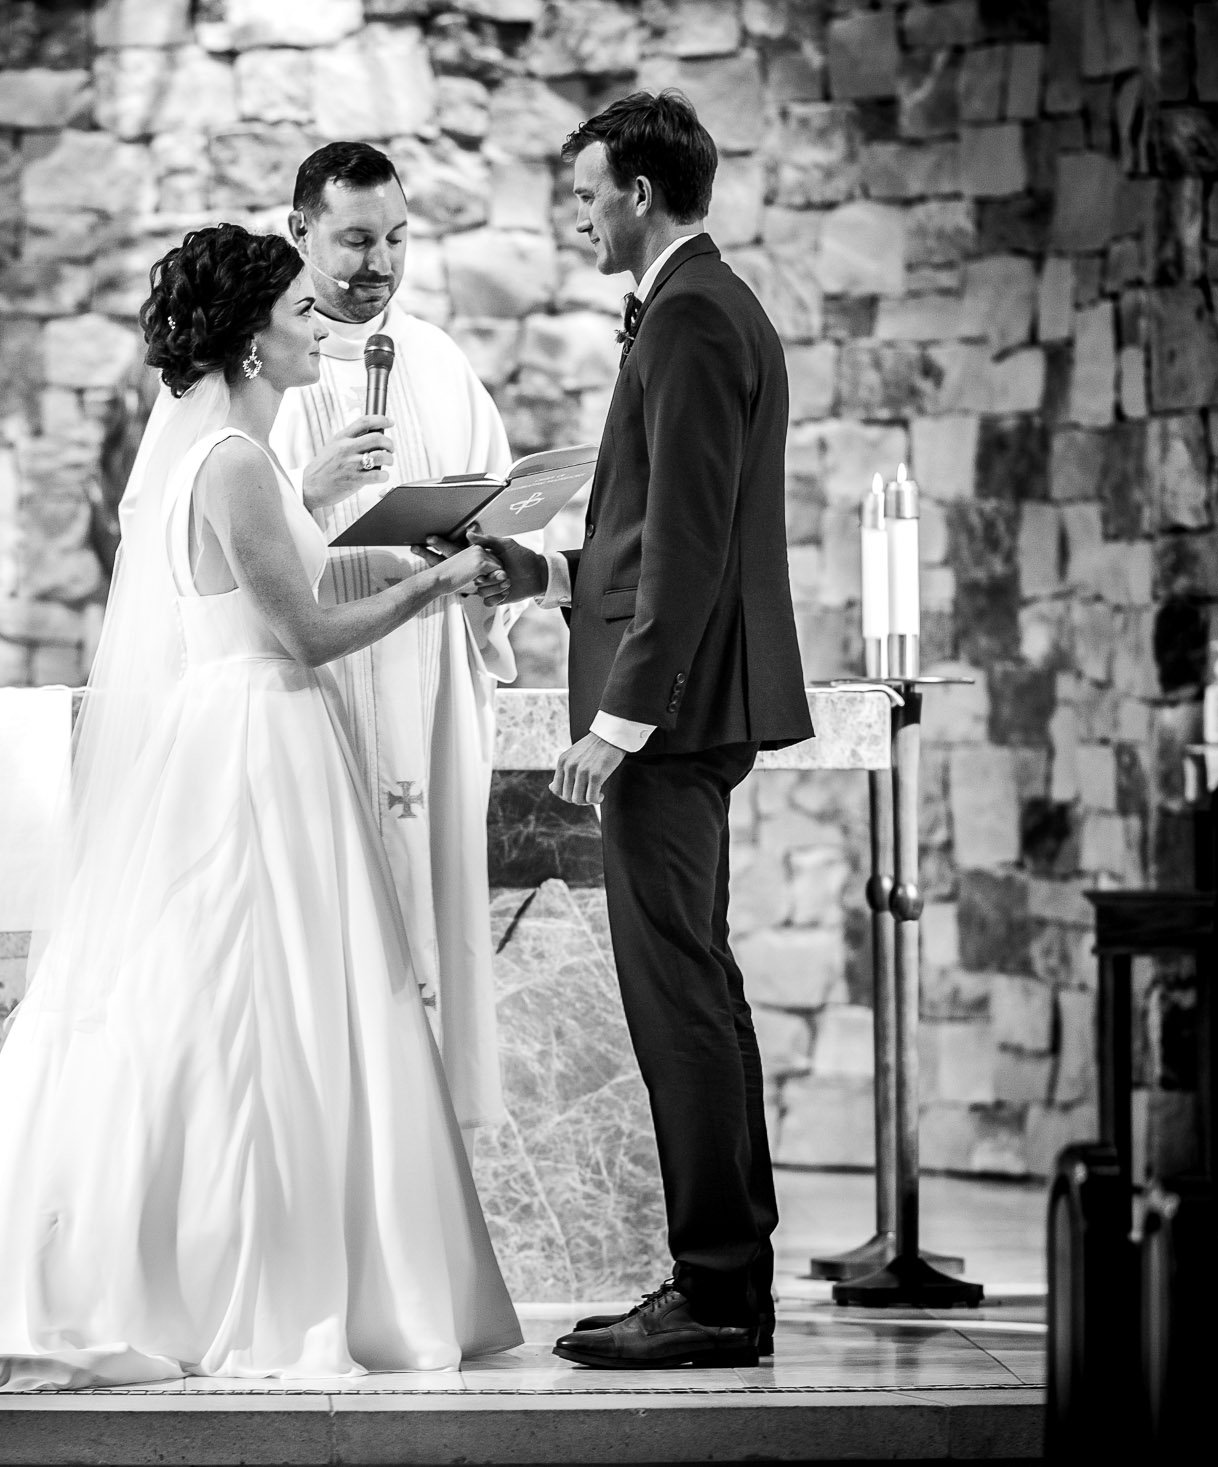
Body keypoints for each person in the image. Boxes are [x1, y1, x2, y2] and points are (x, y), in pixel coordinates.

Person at [0, 224, 522, 1392]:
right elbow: (303, 633)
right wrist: (440, 584)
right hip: (255, 745)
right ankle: (254, 1281)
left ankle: (266, 1265)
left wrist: (387, 557)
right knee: (257, 1005)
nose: (319, 330)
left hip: (256, 733)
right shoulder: (234, 464)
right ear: (248, 340)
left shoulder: (241, 455)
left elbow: (283, 591)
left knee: (262, 1004)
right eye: (299, 314)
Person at [475, 91, 814, 1370]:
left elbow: (688, 543)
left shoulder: (686, 317)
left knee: (675, 995)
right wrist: (545, 577)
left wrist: (619, 718)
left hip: (667, 720)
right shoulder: (696, 310)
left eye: (583, 195)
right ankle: (726, 1285)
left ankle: (715, 1294)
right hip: (680, 706)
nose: (573, 219)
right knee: (696, 988)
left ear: (636, 194)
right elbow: (639, 533)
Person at [269, 142, 515, 1136]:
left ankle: (425, 1153)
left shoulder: (440, 361)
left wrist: (491, 546)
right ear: (300, 233)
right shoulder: (266, 363)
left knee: (430, 910)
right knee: (337, 922)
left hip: (429, 676)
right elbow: (219, 533)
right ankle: (340, 1140)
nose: (380, 262)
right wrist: (310, 493)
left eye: (398, 238)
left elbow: (501, 500)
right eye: (356, 240)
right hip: (320, 683)